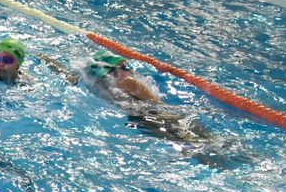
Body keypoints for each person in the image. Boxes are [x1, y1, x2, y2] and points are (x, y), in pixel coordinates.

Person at [82, 51, 250, 167]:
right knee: (211, 140)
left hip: (141, 123)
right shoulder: (128, 82)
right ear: (115, 70)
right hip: (161, 116)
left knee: (193, 149)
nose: (130, 70)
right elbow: (156, 104)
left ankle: (220, 167)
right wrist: (188, 110)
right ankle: (247, 159)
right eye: (125, 67)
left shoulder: (102, 89)